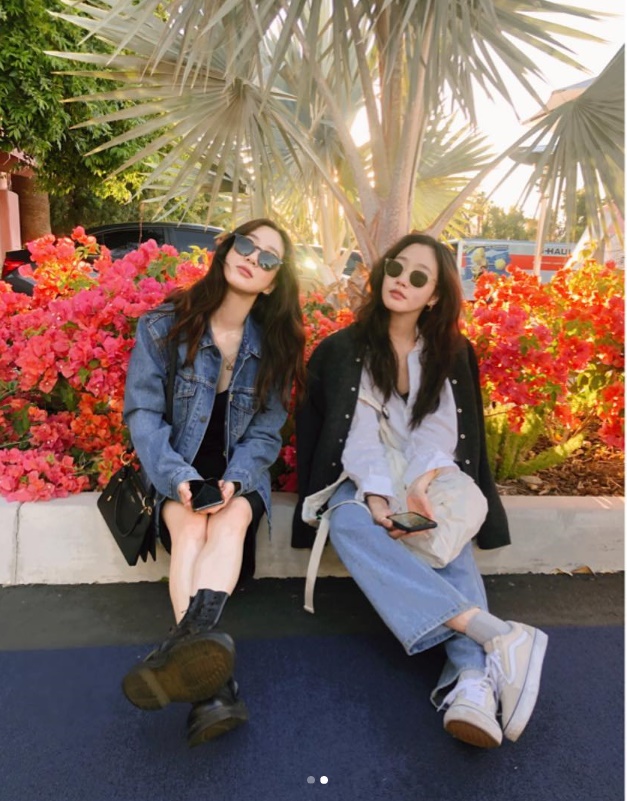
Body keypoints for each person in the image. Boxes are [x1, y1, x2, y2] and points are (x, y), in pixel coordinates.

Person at [293, 232, 547, 749]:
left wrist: (421, 485)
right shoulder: (344, 348)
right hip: (360, 472)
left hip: (425, 470)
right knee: (348, 521)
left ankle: (471, 683)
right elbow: (357, 437)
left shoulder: (449, 352)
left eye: (418, 276)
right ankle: (496, 636)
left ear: (434, 295)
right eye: (395, 267)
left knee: (443, 534)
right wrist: (377, 496)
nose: (401, 281)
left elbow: (440, 432)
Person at [122, 218, 305, 746]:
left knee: (227, 526)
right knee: (190, 531)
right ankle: (213, 689)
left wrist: (236, 482)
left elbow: (266, 435)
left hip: (238, 475)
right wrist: (178, 478)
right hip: (171, 467)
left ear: (272, 281)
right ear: (227, 250)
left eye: (268, 258)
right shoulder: (164, 326)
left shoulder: (276, 347)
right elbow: (144, 415)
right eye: (246, 245)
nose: (253, 258)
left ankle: (183, 657)